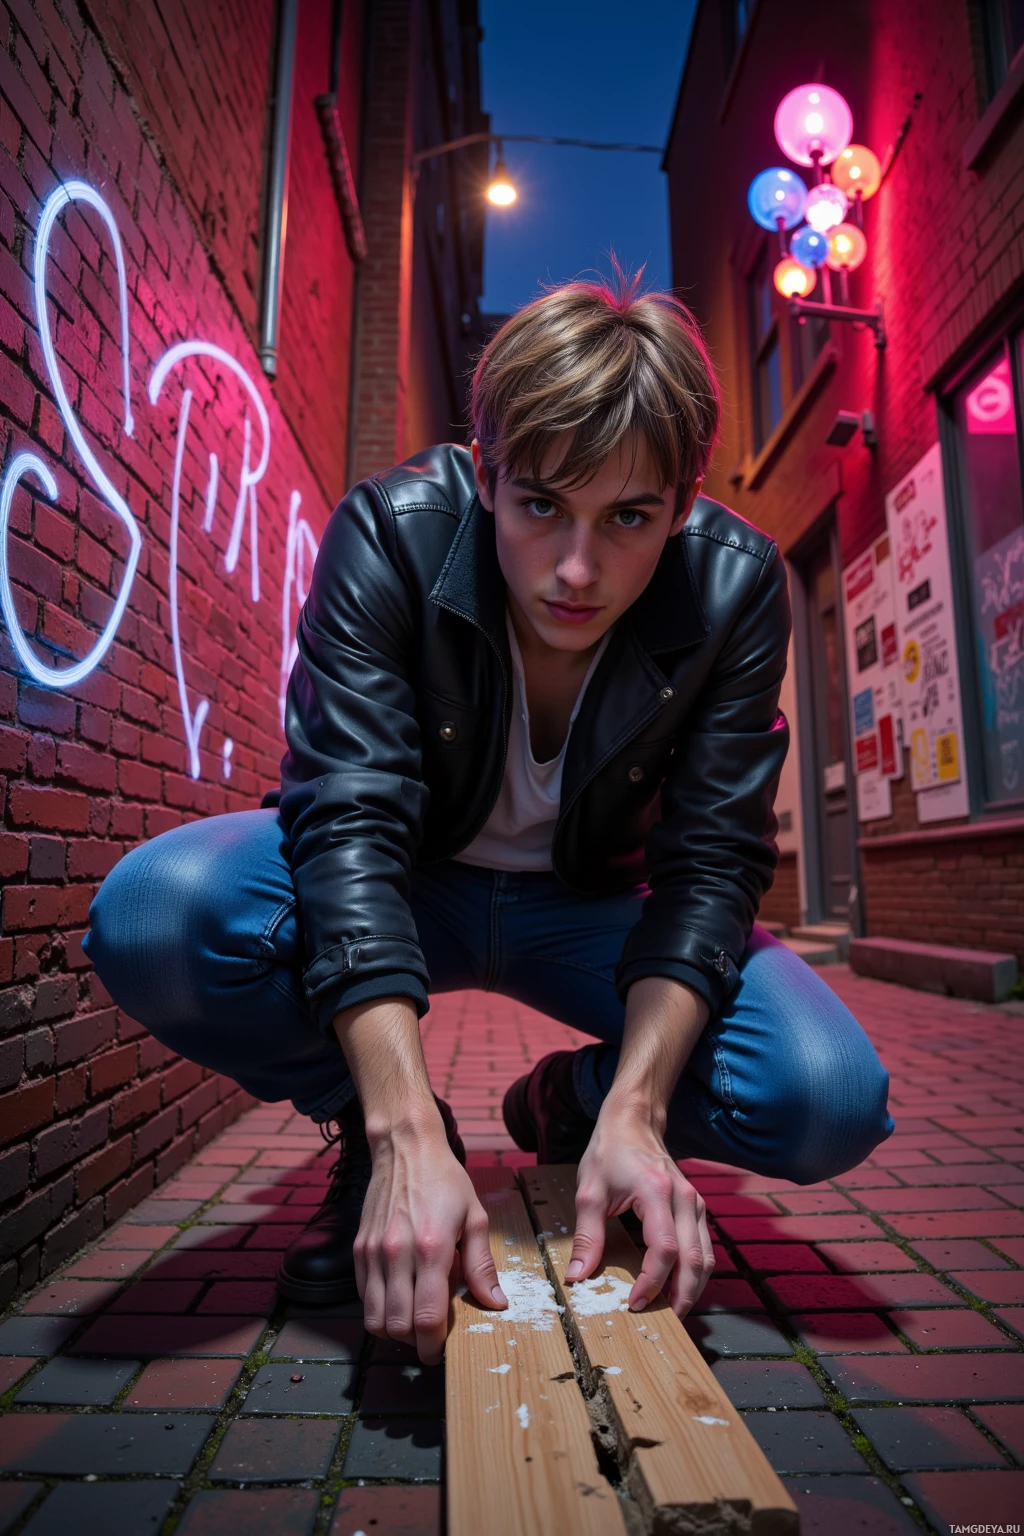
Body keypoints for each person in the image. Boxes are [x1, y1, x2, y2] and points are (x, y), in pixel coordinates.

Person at [85, 270, 892, 1367]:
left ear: (684, 505)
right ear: (485, 476)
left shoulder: (735, 585)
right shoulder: (392, 533)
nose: (575, 567)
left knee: (826, 1095)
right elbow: (348, 819)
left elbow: (711, 861)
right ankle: (384, 1143)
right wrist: (401, 1124)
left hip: (595, 910)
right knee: (155, 915)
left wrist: (640, 1107)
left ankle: (573, 1105)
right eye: (541, 505)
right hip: (410, 887)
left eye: (629, 519)